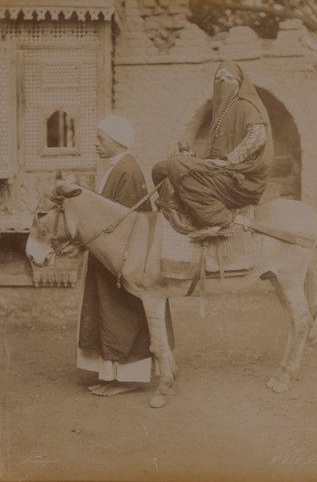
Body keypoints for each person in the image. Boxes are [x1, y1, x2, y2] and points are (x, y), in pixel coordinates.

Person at [77, 114, 155, 397]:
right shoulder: (114, 167)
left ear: (118, 142)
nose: (96, 144)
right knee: (107, 311)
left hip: (122, 257)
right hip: (107, 253)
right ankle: (111, 375)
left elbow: (127, 218)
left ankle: (129, 377)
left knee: (122, 312)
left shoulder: (128, 170)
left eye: (101, 139)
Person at [152, 60, 274, 239]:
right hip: (222, 171)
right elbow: (214, 155)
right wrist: (193, 157)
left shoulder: (245, 105)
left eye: (228, 78)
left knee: (177, 165)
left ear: (240, 83)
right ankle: (176, 210)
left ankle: (221, 219)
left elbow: (258, 136)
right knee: (161, 168)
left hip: (242, 179)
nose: (222, 82)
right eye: (218, 78)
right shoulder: (223, 112)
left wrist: (229, 159)